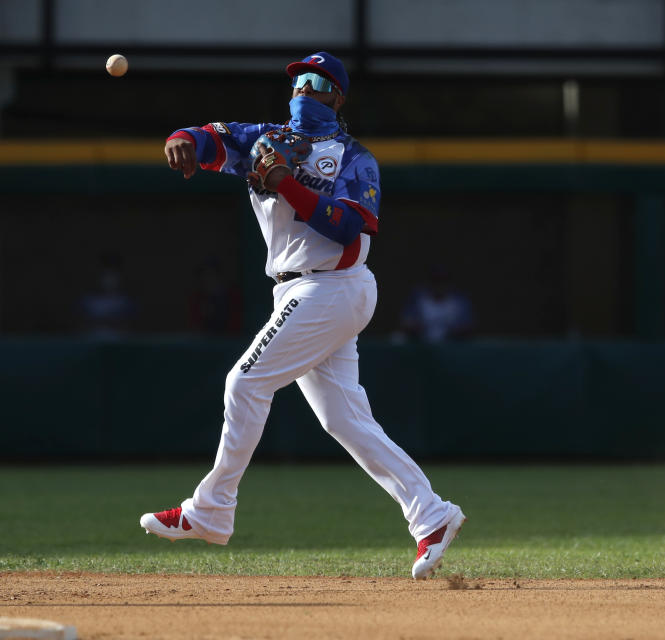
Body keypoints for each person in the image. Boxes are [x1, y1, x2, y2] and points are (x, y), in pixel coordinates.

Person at [140, 52, 465, 579]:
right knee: (345, 420)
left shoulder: (355, 157)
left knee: (245, 382)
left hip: (333, 287)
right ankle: (432, 514)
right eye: (297, 81)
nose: (303, 90)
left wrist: (287, 184)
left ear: (337, 97)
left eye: (317, 82)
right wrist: (183, 137)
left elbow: (349, 227)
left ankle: (211, 510)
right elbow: (208, 138)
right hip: (299, 290)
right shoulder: (262, 138)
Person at [398, 265, 475, 343]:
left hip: (452, 346)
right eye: (436, 281)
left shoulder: (459, 301)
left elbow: (469, 325)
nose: (439, 285)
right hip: (422, 345)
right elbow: (406, 323)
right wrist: (419, 328)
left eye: (443, 281)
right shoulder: (418, 299)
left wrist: (451, 331)